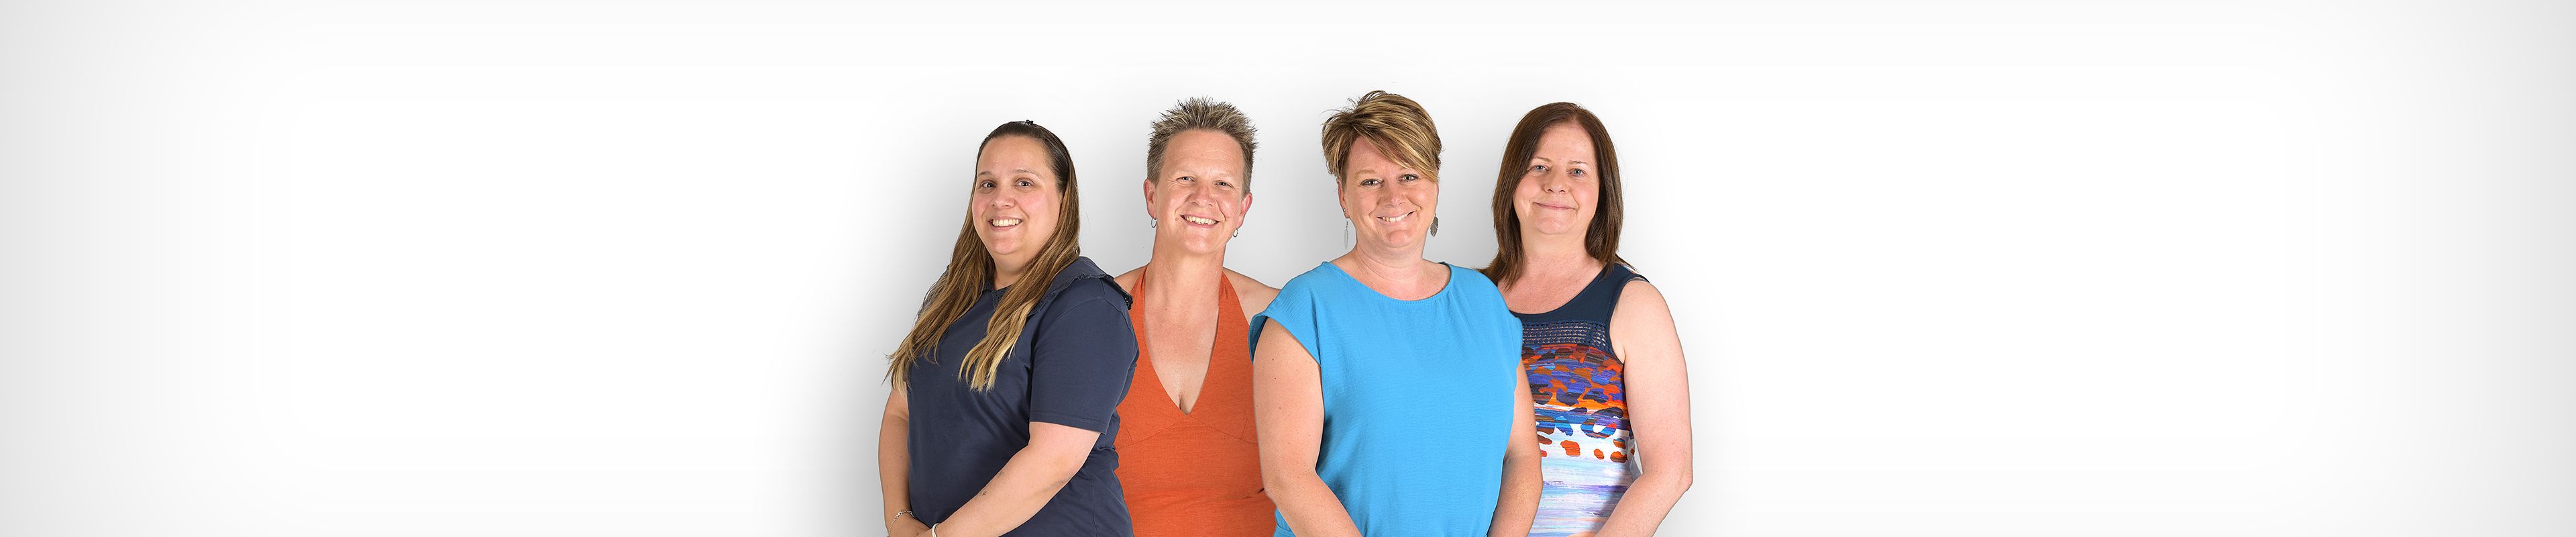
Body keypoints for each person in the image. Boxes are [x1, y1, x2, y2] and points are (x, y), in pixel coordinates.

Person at [1251, 90, 1540, 537]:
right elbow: (1289, 478)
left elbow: (1522, 456)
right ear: (1344, 196)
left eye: (1409, 175)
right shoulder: (1305, 309)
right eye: (1371, 181)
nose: (1393, 196)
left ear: (1435, 187)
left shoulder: (1484, 302)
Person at [879, 121, 1138, 537]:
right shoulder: (952, 296)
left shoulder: (1087, 306)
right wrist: (899, 521)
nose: (1001, 199)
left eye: (1024, 183)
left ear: (1063, 199)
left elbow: (1052, 462)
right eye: (988, 184)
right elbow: (900, 412)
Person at [1483, 103, 1693, 537]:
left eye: (1577, 171)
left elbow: (1670, 471)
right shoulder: (1468, 300)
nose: (1556, 184)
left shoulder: (1633, 304)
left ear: (1602, 192)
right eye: (1539, 166)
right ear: (1512, 181)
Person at [1110, 97, 1281, 536]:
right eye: (1185, 178)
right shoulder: (1096, 313)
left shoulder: (1277, 317)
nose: (1203, 198)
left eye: (1223, 183)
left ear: (1243, 208)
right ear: (1152, 196)